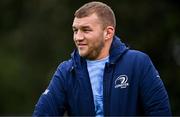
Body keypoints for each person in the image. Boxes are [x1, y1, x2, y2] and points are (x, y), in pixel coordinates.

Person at [33, 1, 171, 116]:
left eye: (86, 30)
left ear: (108, 33)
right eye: (75, 30)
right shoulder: (66, 71)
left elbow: (160, 112)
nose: (78, 37)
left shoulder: (138, 63)